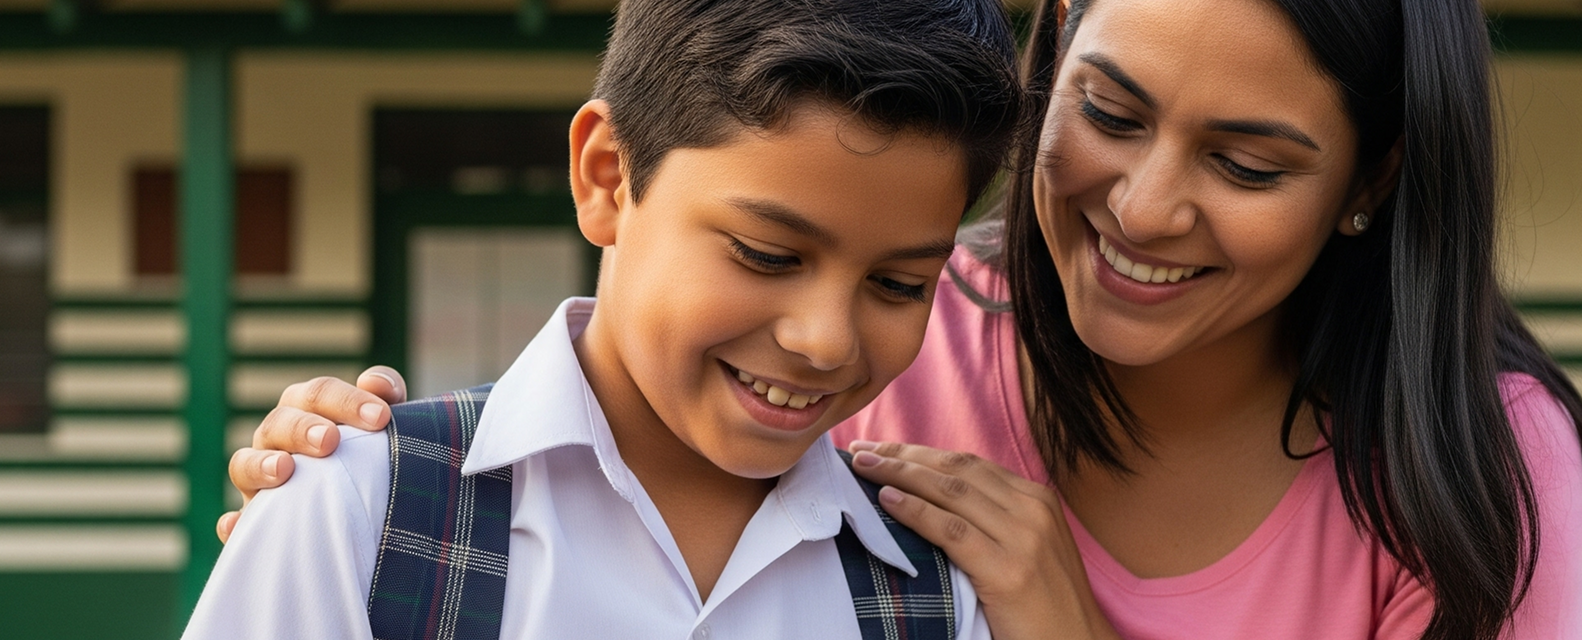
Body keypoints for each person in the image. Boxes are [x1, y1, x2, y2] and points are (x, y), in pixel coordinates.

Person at [223, 0, 1582, 638]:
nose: (1142, 208)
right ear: (1051, 56)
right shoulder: (912, 322)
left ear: (1368, 182)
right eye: (1108, 111)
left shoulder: (1468, 466)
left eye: (1248, 165)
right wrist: (380, 497)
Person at [180, 0, 1031, 638]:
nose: (826, 340)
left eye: (897, 284)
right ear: (607, 176)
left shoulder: (933, 590)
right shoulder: (364, 513)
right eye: (767, 255)